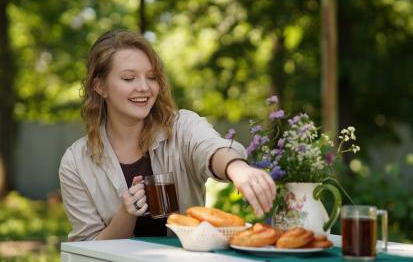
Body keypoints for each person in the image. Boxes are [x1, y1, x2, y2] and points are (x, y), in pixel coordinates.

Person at [59, 29, 276, 241]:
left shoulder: (181, 126)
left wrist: (238, 169)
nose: (144, 87)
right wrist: (126, 215)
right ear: (100, 87)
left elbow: (209, 147)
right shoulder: (76, 162)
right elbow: (85, 250)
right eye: (128, 78)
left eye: (151, 77)